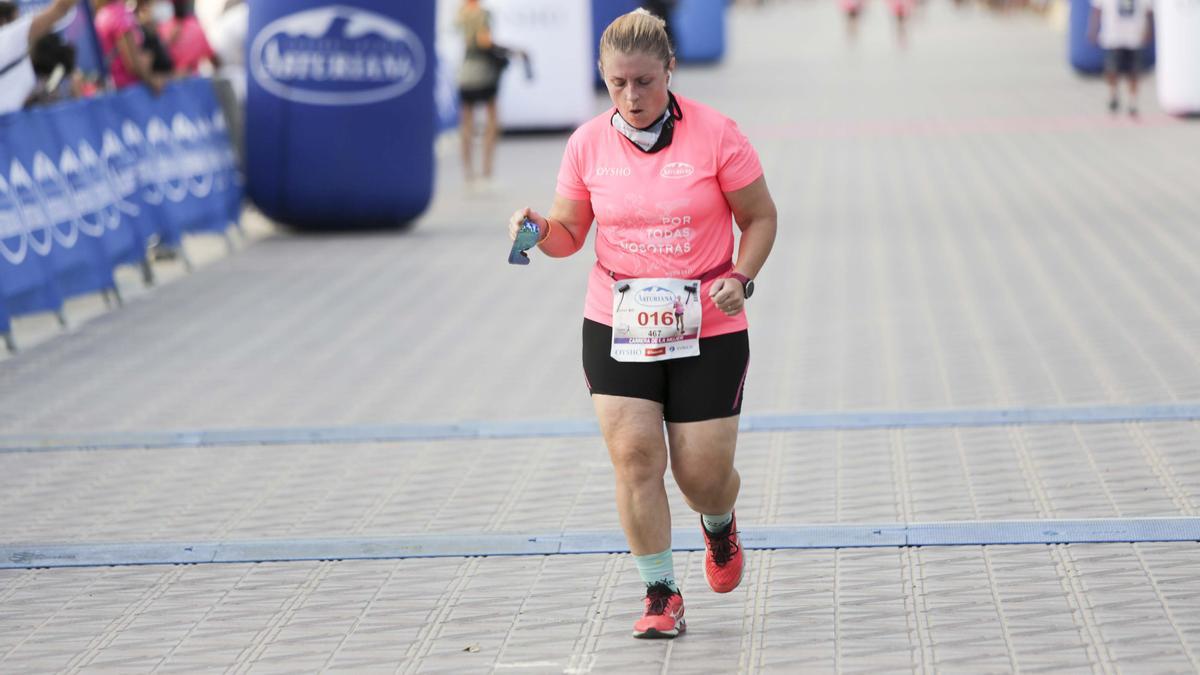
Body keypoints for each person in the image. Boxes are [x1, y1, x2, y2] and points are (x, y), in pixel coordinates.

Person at [506, 9, 777, 639]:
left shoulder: (717, 135)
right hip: (617, 319)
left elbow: (760, 217)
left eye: (645, 82)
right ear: (603, 79)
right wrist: (537, 231)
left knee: (702, 476)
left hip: (708, 321)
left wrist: (740, 276)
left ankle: (719, 523)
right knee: (634, 458)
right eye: (618, 83)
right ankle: (660, 592)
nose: (632, 96)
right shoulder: (586, 144)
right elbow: (570, 233)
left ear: (670, 72)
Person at [456, 0, 503, 191]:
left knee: (466, 123)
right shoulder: (483, 14)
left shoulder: (461, 14)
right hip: (484, 74)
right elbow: (485, 42)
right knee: (492, 122)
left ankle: (468, 171)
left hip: (465, 73)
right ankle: (486, 170)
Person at [0, 0, 77, 114]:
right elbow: (61, 8)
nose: (18, 21)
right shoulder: (9, 36)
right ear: (3, 21)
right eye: (16, 18)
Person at [1088, 0, 1154, 117]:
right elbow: (1097, 9)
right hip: (1113, 36)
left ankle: (1133, 102)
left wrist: (1149, 30)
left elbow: (1149, 11)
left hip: (1135, 36)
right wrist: (1093, 29)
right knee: (1111, 70)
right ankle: (1113, 95)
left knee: (1134, 73)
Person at [93, 0, 164, 92]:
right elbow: (133, 64)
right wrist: (152, 80)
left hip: (116, 88)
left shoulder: (102, 14)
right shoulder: (119, 14)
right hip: (128, 89)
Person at [157, 0, 219, 77]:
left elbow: (212, 57)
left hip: (188, 79)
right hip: (172, 79)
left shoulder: (195, 26)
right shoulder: (164, 27)